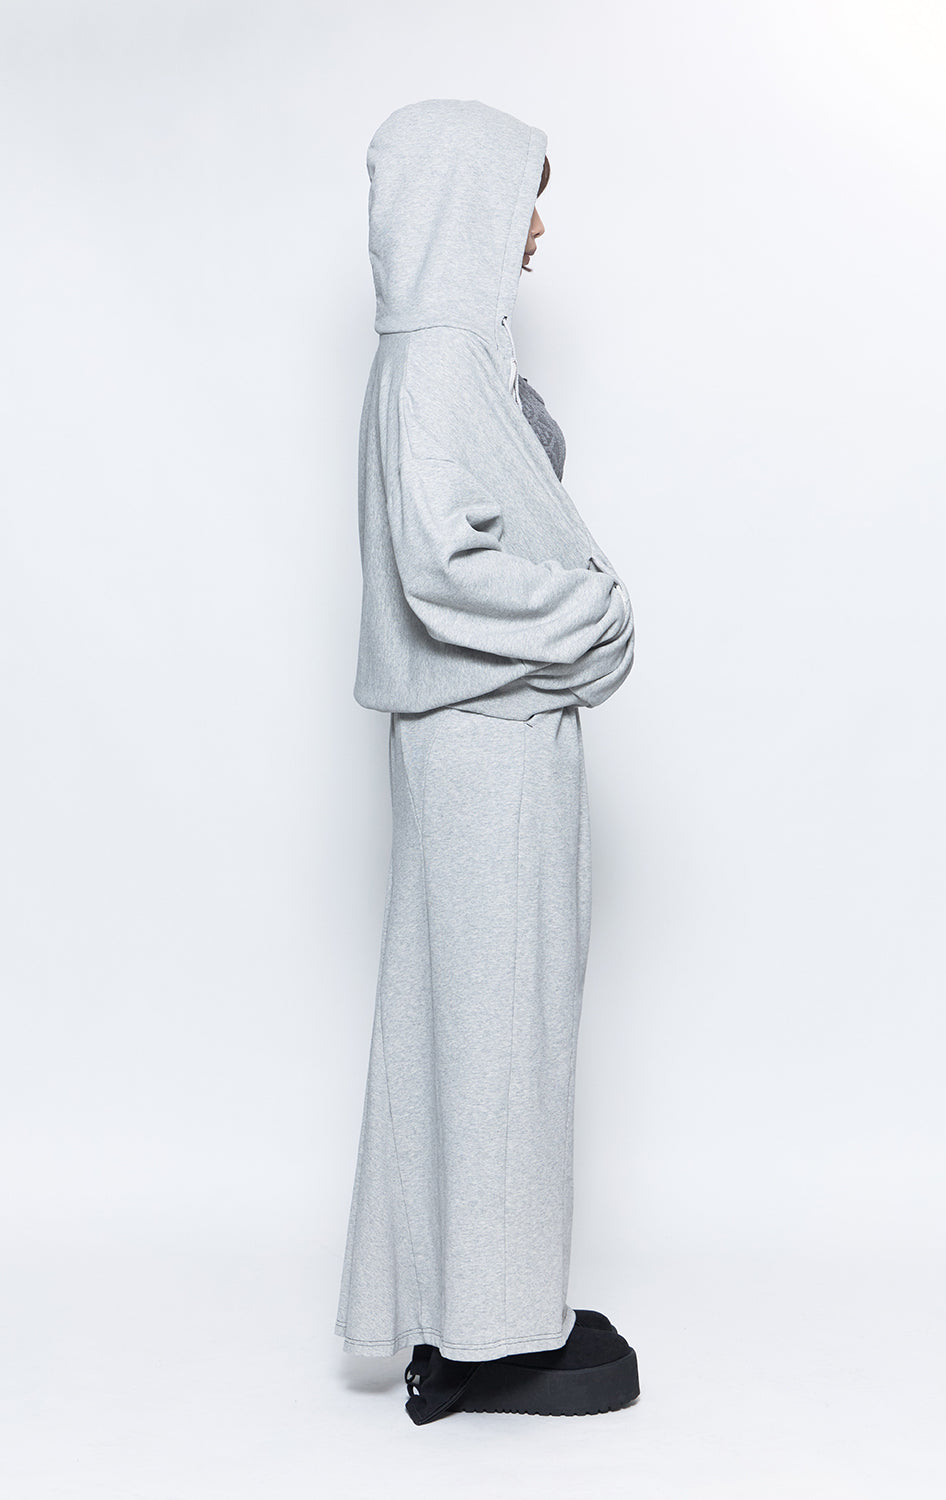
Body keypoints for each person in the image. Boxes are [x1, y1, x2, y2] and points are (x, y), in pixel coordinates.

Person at [335, 98, 639, 1425]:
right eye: (523, 194)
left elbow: (481, 514)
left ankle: (466, 1308)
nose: (536, 226)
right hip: (490, 739)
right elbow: (442, 567)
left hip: (477, 734)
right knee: (499, 1028)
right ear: (466, 197)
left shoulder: (440, 357)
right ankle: (493, 1329)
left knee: (464, 1024)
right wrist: (596, 611)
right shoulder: (438, 359)